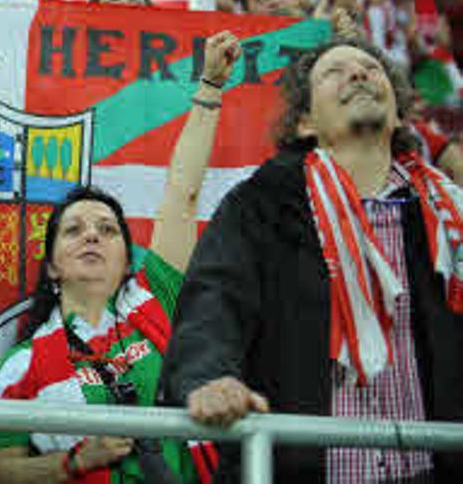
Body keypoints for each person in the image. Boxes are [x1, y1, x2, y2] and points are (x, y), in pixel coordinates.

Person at [160, 38, 463, 482]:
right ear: (304, 122)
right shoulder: (260, 205)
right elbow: (214, 303)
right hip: (304, 471)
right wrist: (210, 378)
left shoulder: (447, 212)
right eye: (334, 72)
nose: (358, 74)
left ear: (399, 113)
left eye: (370, 68)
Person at [0, 32, 241, 483]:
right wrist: (75, 462)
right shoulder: (21, 365)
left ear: (127, 259)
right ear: (52, 266)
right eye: (74, 230)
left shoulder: (156, 295)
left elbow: (183, 193)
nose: (92, 237)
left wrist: (210, 89)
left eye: (107, 229)